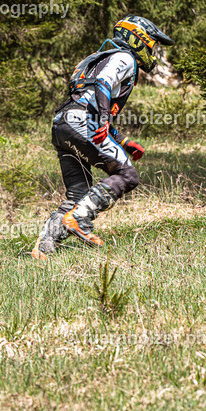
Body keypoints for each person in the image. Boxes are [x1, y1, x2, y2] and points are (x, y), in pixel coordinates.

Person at [31, 15, 174, 260]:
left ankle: (44, 246)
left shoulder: (101, 58)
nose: (153, 51)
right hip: (81, 121)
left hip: (63, 124)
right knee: (128, 176)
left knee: (78, 195)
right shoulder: (125, 58)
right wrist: (106, 118)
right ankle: (81, 219)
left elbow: (90, 102)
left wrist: (124, 142)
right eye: (153, 44)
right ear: (139, 39)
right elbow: (103, 83)